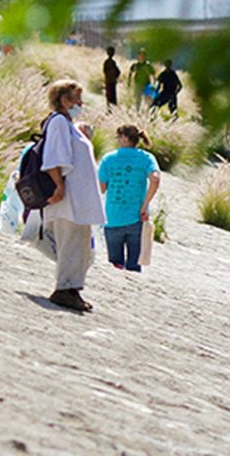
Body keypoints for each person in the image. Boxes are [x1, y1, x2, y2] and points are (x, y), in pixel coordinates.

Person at [40, 80, 106, 312]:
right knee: (71, 243)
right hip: (68, 197)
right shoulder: (58, 122)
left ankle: (72, 288)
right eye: (76, 99)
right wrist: (58, 186)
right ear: (64, 100)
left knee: (79, 244)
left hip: (76, 198)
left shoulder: (67, 124)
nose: (80, 103)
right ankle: (64, 289)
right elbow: (55, 156)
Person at [98, 125, 161, 272]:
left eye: (118, 137)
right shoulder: (146, 158)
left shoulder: (109, 158)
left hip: (113, 217)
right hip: (138, 217)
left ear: (124, 138)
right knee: (134, 265)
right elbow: (155, 179)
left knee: (114, 265)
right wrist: (145, 204)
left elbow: (101, 188)